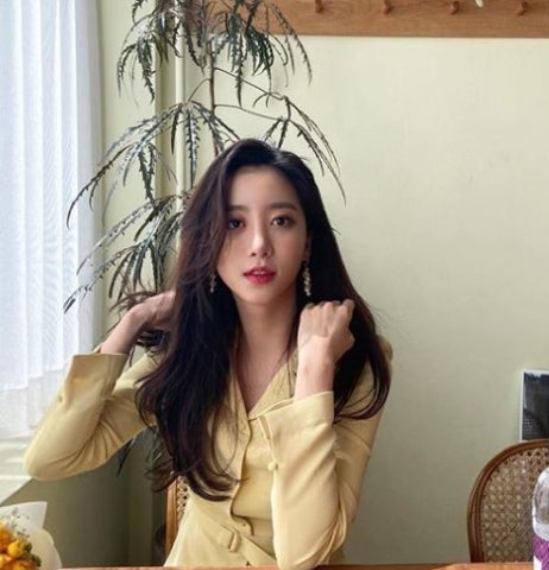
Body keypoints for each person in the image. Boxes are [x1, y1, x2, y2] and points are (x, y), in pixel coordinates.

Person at [24, 138, 392, 570]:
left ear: (308, 242)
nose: (259, 244)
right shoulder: (190, 352)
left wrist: (314, 368)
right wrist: (135, 320)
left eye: (281, 221)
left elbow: (304, 554)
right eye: (234, 223)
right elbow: (50, 459)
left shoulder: (353, 360)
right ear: (209, 242)